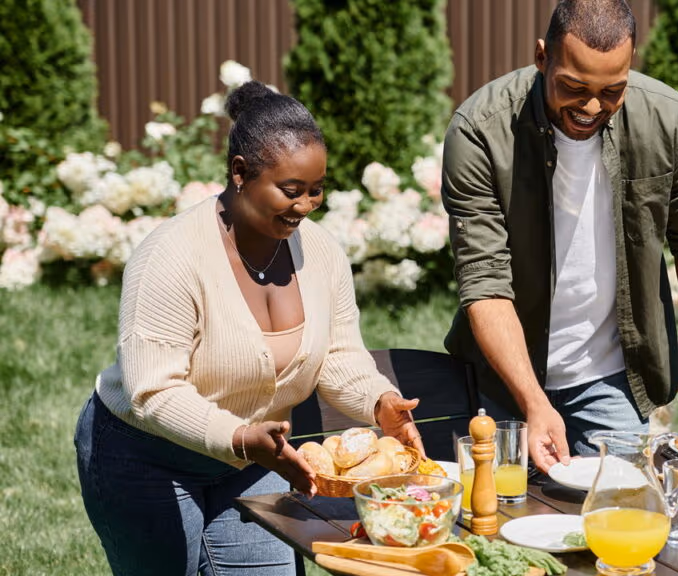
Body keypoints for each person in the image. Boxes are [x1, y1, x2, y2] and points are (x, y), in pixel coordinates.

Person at [74, 81, 425, 576]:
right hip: (144, 457)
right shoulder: (170, 256)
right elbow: (151, 392)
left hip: (257, 459)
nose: (306, 205)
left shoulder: (321, 252)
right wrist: (238, 437)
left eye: (316, 189)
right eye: (291, 190)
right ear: (240, 174)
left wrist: (379, 403)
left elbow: (340, 355)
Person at [441, 0, 678, 473]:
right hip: (503, 380)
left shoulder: (667, 119)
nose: (592, 107)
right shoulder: (480, 130)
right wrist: (534, 403)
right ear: (542, 57)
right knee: (502, 525)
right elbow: (485, 282)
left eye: (612, 91)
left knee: (622, 516)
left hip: (609, 378)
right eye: (573, 87)